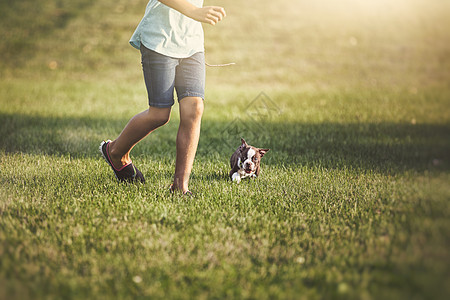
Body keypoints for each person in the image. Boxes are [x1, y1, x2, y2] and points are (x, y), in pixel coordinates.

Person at [100, 0, 226, 195]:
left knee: (194, 109)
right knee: (159, 114)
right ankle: (115, 152)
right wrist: (194, 11)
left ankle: (180, 186)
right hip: (159, 39)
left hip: (191, 42)